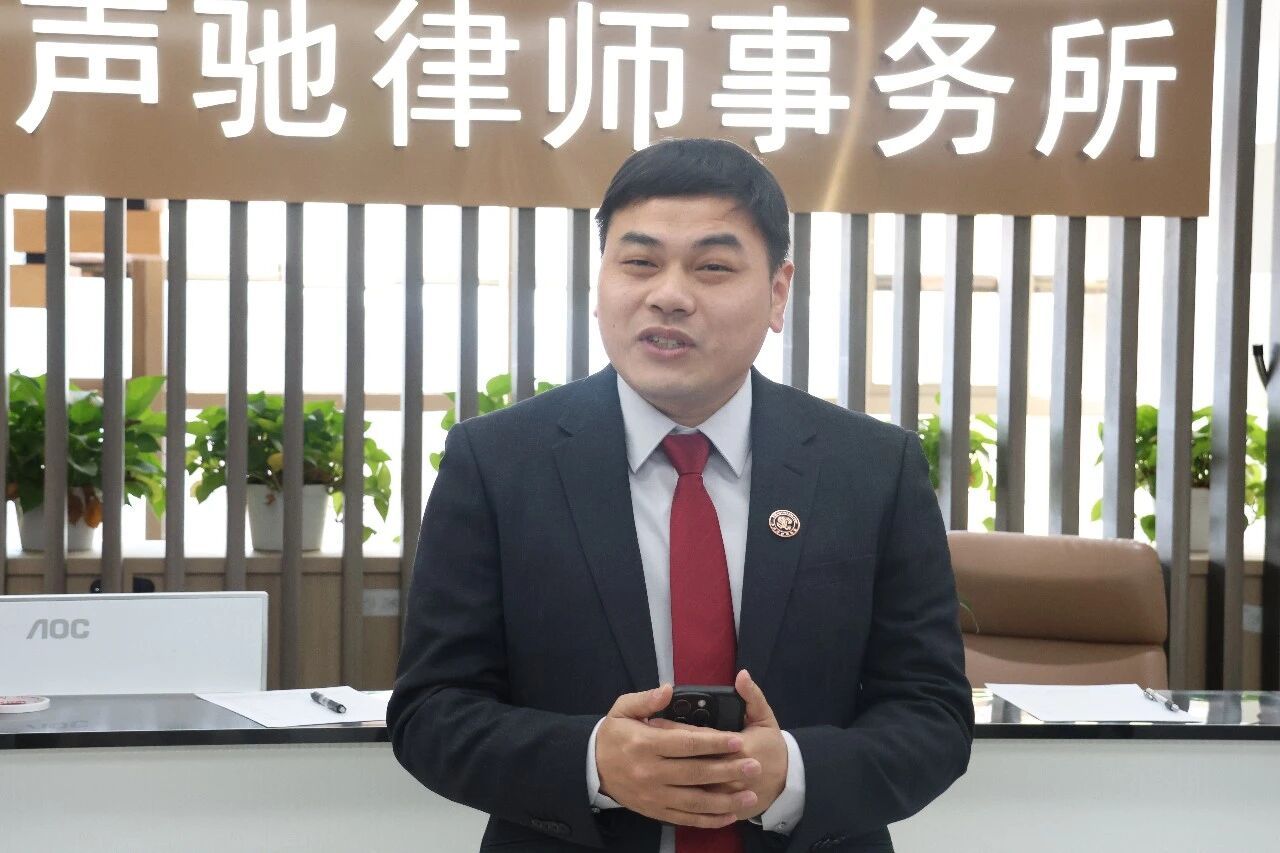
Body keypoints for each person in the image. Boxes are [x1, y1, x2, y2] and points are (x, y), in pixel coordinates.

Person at [388, 138, 973, 853]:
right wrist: (593, 762)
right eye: (639, 263)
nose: (669, 295)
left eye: (712, 267)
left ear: (778, 291)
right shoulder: (498, 463)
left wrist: (794, 774)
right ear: (600, 282)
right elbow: (431, 710)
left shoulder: (873, 469)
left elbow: (933, 714)